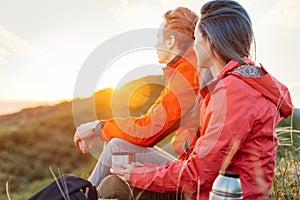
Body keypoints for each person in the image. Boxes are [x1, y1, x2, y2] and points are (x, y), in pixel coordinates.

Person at [97, 1, 294, 199]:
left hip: (214, 193)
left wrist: (135, 174)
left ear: (210, 40)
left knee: (113, 185)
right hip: (211, 187)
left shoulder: (234, 92)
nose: (194, 42)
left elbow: (197, 174)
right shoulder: (233, 84)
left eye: (196, 36)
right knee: (119, 159)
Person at [73, 7, 201, 187]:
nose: (156, 45)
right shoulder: (186, 69)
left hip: (195, 176)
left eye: (159, 39)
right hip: (192, 166)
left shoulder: (188, 72)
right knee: (118, 145)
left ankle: (84, 195)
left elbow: (148, 130)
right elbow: (149, 123)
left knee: (117, 147)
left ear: (171, 40)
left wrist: (97, 128)